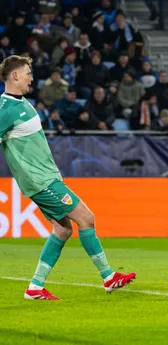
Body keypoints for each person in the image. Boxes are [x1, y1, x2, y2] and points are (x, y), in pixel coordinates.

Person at [0, 56, 135, 300]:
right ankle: (108, 276)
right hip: (40, 181)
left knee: (63, 230)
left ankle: (35, 287)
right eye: (28, 72)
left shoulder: (22, 104)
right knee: (87, 218)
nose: (32, 77)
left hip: (47, 177)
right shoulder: (6, 109)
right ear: (15, 76)